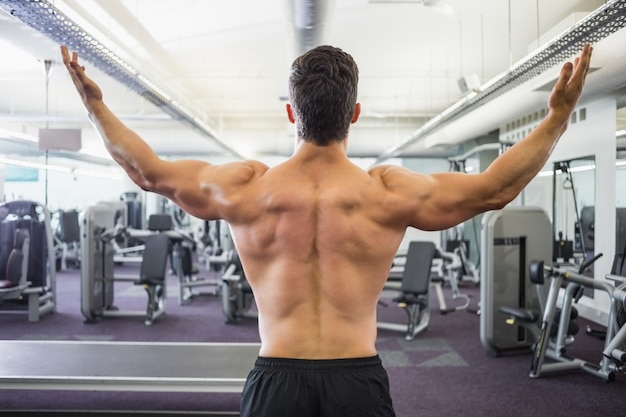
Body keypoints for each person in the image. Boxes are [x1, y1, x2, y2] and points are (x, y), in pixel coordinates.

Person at [61, 43, 592, 416]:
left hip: (276, 379)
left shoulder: (247, 189)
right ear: (355, 113)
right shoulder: (387, 191)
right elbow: (494, 189)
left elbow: (147, 171)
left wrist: (95, 105)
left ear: (292, 113)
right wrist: (557, 118)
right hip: (356, 381)